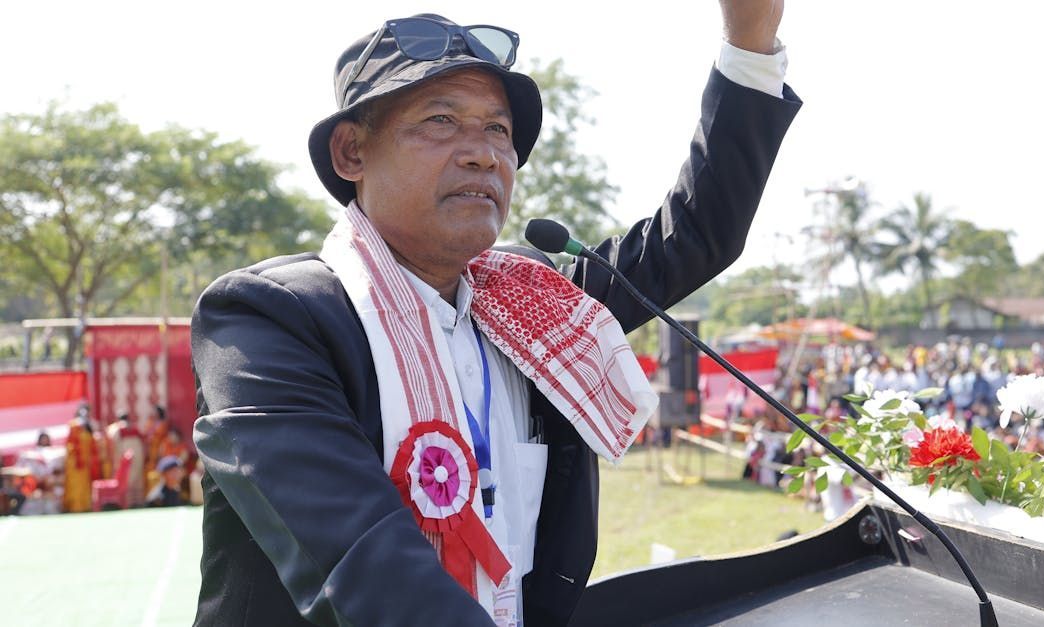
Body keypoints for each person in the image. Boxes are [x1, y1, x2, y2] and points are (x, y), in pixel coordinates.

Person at [191, 3, 799, 625]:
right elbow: (363, 560)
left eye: (498, 131)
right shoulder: (269, 322)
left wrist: (749, 40)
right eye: (440, 120)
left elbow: (696, 234)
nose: (483, 154)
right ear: (351, 152)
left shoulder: (534, 311)